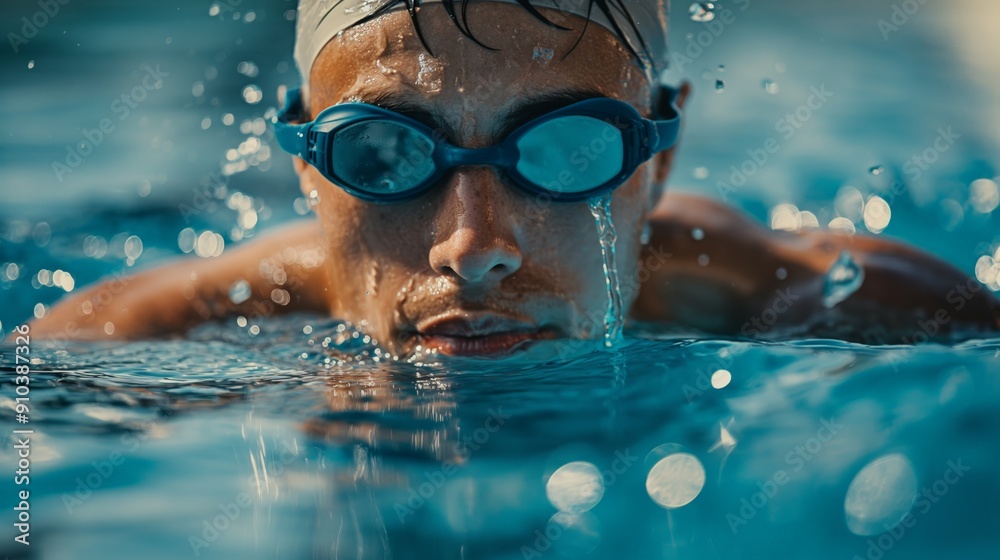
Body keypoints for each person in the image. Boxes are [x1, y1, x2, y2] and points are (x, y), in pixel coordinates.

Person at [28, 0, 1000, 356]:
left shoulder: (794, 294)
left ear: (655, 163)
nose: (475, 247)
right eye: (384, 153)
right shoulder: (149, 333)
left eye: (565, 151)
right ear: (310, 171)